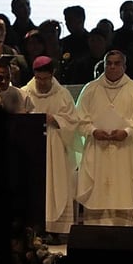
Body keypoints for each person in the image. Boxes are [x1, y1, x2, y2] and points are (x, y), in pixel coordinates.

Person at [75, 50, 133, 226]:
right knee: (98, 191)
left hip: (125, 150)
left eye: (117, 63)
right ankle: (95, 234)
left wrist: (128, 132)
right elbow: (79, 118)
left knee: (123, 189)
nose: (113, 67)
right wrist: (93, 131)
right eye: (109, 63)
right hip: (97, 147)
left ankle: (123, 234)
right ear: (104, 65)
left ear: (124, 66)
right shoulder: (90, 89)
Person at [22, 56, 80, 237]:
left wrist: (55, 119)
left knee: (56, 186)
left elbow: (73, 121)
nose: (42, 83)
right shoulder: (25, 93)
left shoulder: (62, 94)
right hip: (32, 148)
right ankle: (34, 228)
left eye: (46, 79)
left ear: (52, 74)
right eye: (39, 79)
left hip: (56, 147)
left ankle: (55, 229)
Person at [59, 5, 90, 85]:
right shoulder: (63, 43)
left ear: (81, 19)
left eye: (70, 19)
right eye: (66, 20)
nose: (67, 23)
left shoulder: (92, 42)